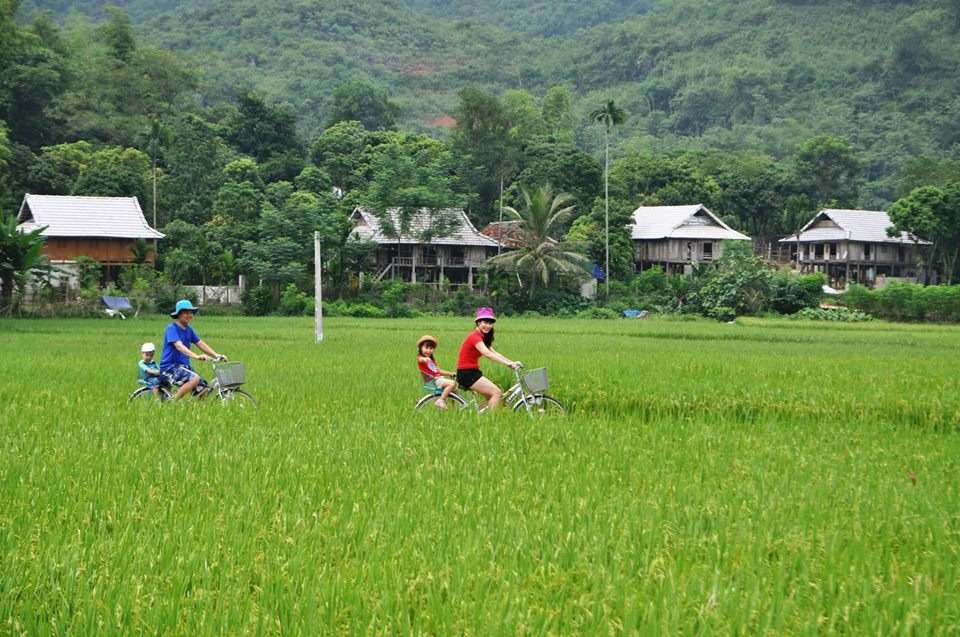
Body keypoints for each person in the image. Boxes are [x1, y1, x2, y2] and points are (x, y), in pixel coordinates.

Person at [160, 299, 227, 400]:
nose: (189, 315)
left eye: (191, 313)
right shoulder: (171, 328)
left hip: (184, 367)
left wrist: (216, 355)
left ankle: (196, 412)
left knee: (204, 388)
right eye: (186, 313)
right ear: (179, 314)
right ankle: (173, 403)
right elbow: (179, 346)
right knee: (194, 379)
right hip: (170, 367)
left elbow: (200, 343)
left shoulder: (189, 329)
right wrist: (196, 356)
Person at [455, 307, 521, 410]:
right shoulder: (475, 337)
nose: (488, 326)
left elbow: (494, 353)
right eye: (485, 322)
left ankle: (478, 417)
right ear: (478, 323)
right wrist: (508, 364)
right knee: (496, 392)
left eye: (490, 323)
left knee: (491, 397)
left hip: (472, 372)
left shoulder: (482, 337)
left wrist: (511, 362)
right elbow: (487, 354)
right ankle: (488, 421)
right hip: (467, 373)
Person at [417, 334, 457, 409]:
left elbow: (438, 370)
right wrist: (425, 359)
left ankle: (452, 407)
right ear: (420, 348)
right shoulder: (421, 358)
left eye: (431, 348)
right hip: (433, 381)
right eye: (426, 348)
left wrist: (450, 373)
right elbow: (420, 359)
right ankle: (441, 400)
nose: (428, 350)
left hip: (438, 379)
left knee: (454, 389)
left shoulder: (432, 360)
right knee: (452, 383)